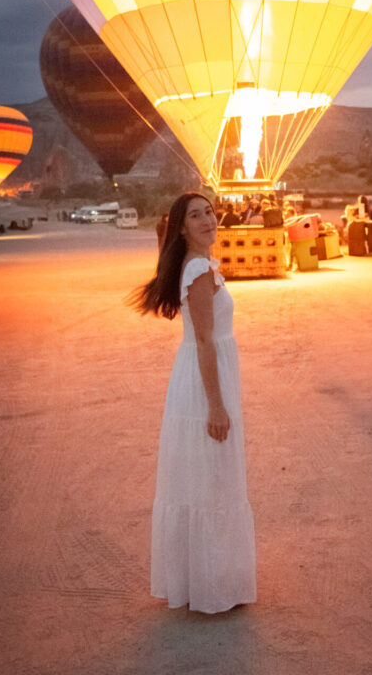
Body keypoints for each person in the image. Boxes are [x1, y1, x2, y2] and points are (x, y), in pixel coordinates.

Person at [129, 193, 256, 613]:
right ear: (182, 228)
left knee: (205, 479)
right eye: (195, 216)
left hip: (202, 376)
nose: (208, 220)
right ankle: (212, 586)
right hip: (206, 383)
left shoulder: (197, 265)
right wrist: (216, 407)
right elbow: (204, 340)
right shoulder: (199, 269)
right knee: (213, 479)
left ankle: (202, 580)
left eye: (209, 212)